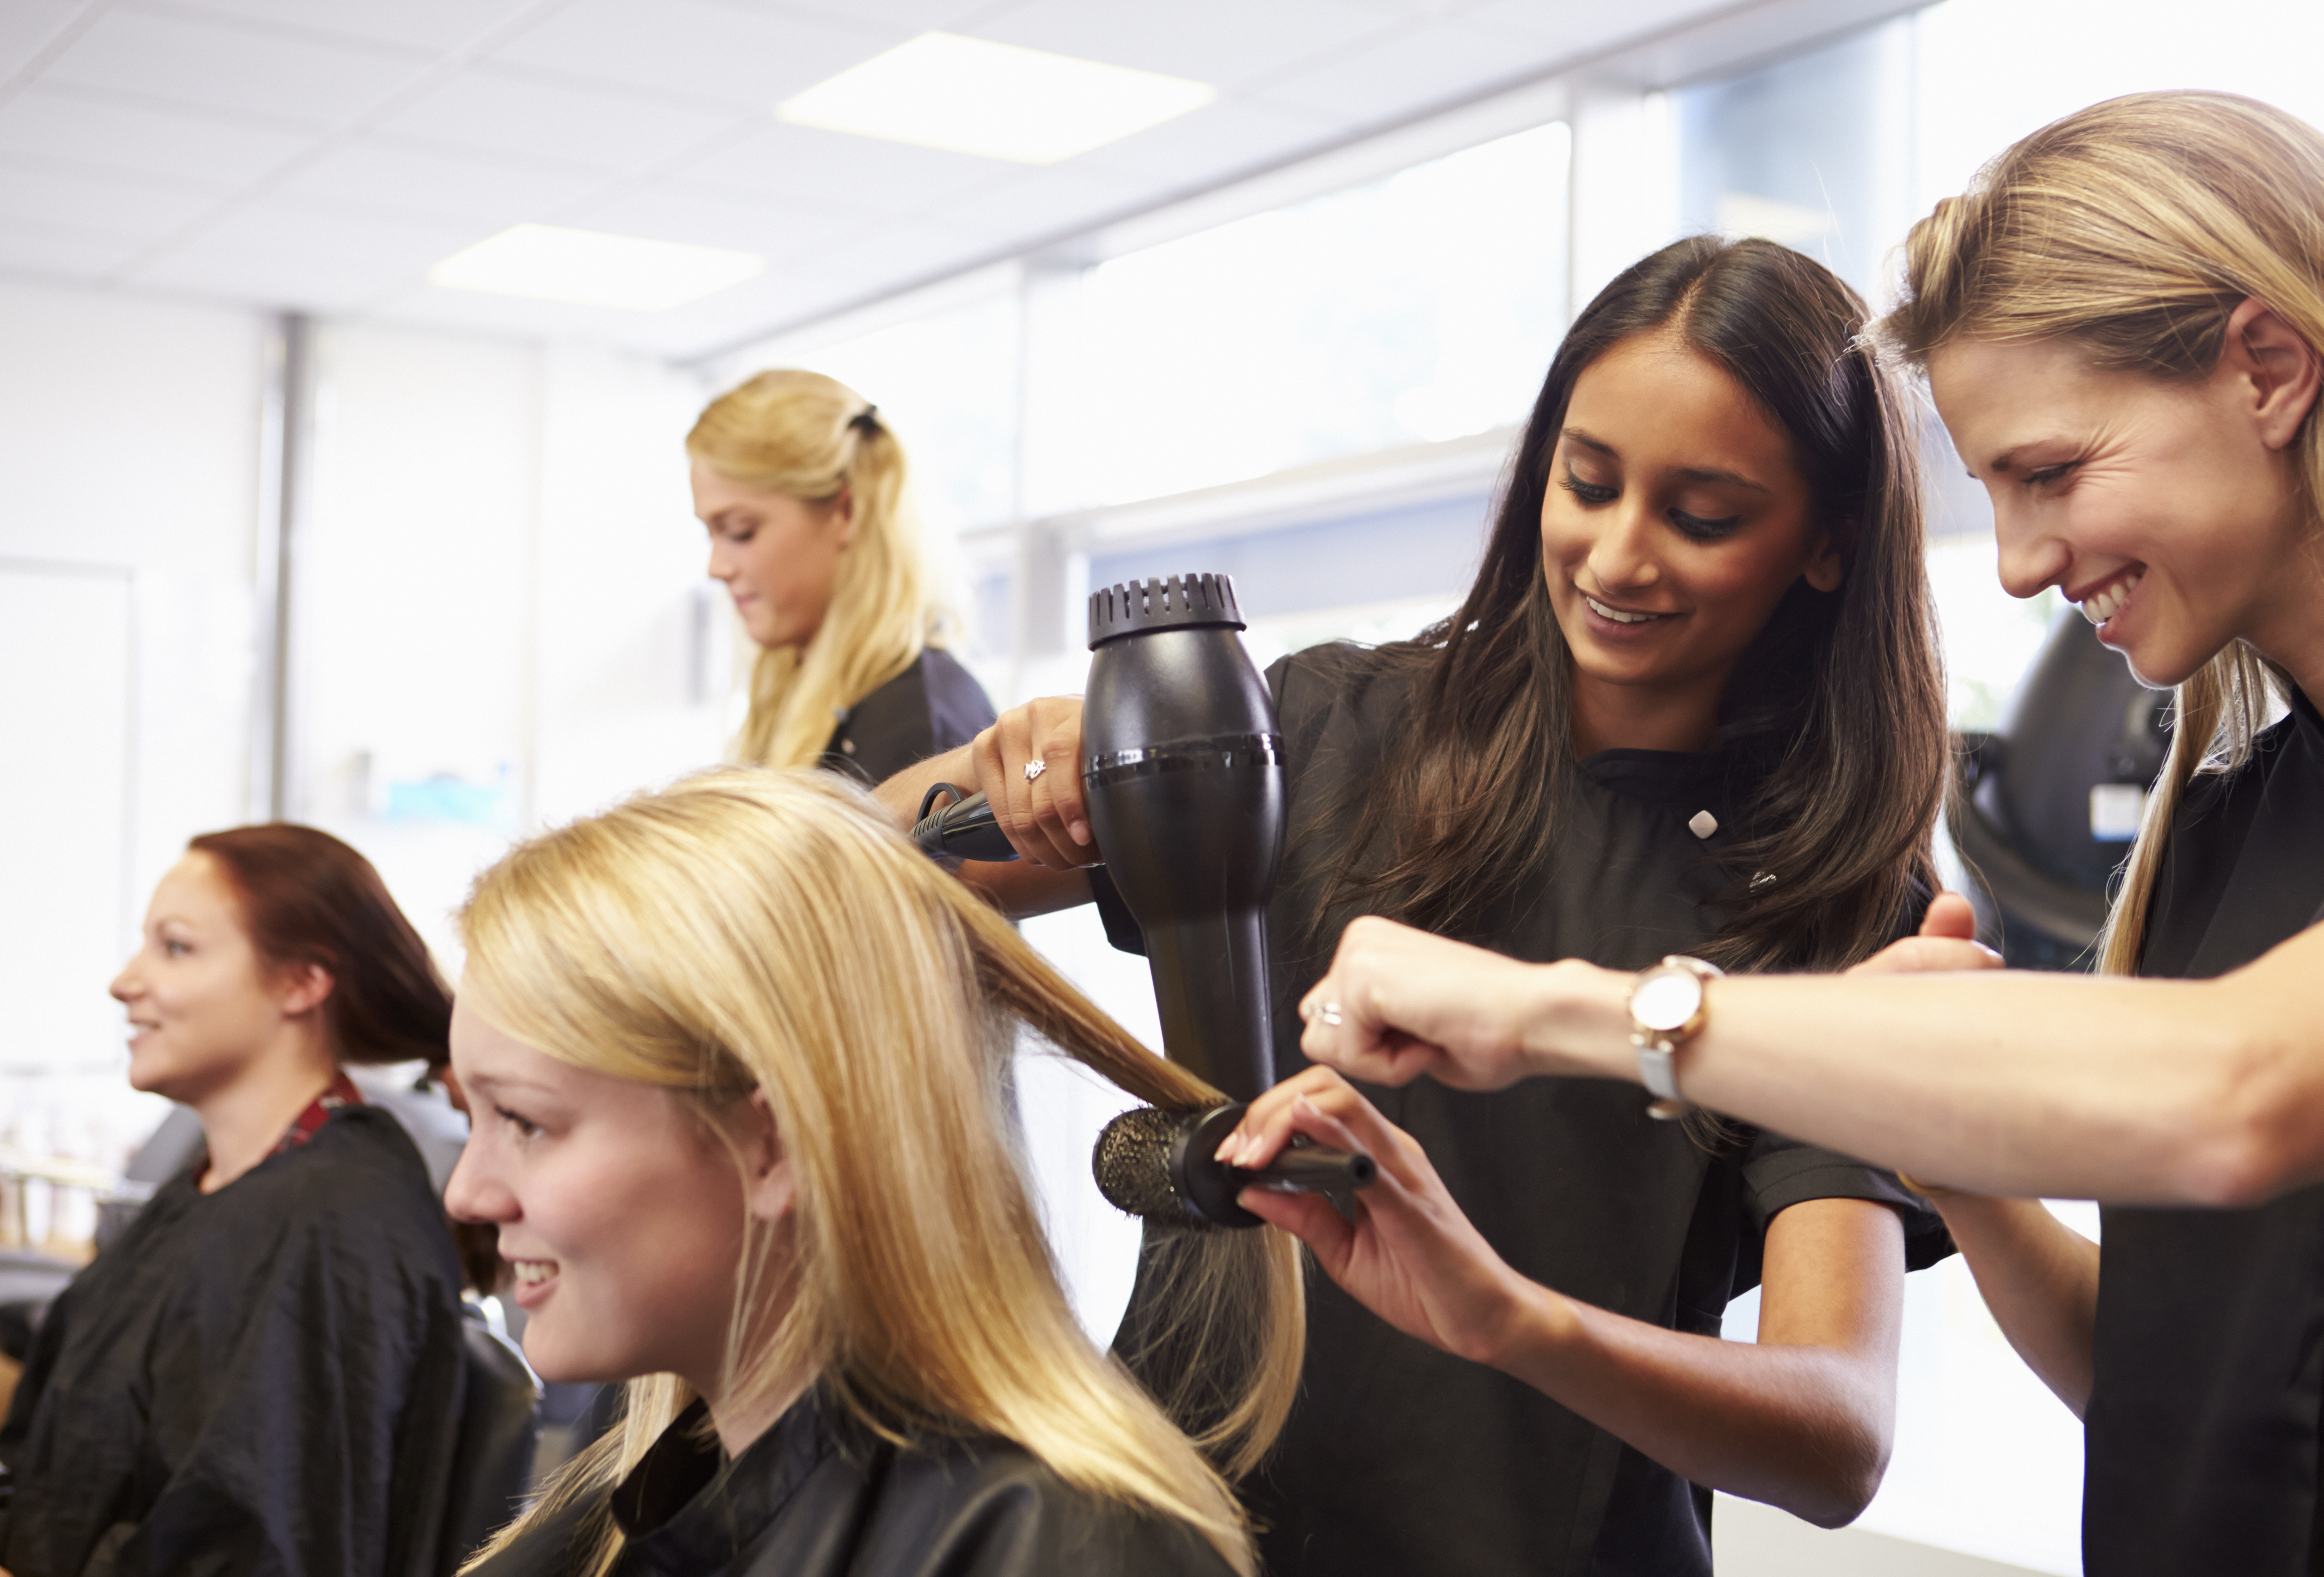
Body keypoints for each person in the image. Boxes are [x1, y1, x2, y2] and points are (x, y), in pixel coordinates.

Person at [1261, 89, 2324, 1577]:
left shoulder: (1842, 898)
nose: (2017, 564)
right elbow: (2162, 1382)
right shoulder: (2229, 819)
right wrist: (1944, 1145)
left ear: (2267, 368)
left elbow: (2241, 1094)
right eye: (1995, 493)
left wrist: (1564, 1009)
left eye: (2051, 474)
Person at [879, 236, 1953, 1575]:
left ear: (1828, 546)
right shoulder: (1332, 728)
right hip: (1167, 1540)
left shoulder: (1838, 903)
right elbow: (854, 882)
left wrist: (1505, 1318)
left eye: (1704, 515)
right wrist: (998, 769)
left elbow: (1835, 1433)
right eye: (1588, 481)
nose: (1617, 557)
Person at [445, 769, 1304, 1577]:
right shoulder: (632, 1513)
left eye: (524, 1120)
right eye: (470, 1119)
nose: (467, 1193)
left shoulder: (1053, 1548)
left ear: (775, 1144)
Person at [0, 826, 469, 1577]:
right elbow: (68, 1466)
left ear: (301, 981)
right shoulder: (210, 1189)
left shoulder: (331, 1223)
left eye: (176, 948)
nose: (125, 982)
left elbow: (261, 1552)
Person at [691, 368, 994, 785]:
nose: (716, 567)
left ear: (845, 513)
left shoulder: (919, 720)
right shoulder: (810, 695)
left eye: (741, 531)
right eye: (710, 533)